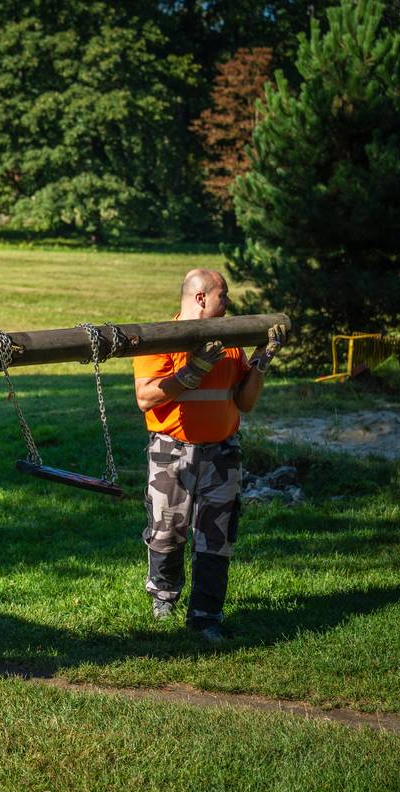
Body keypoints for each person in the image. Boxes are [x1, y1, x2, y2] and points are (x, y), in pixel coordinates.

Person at [132, 269, 285, 643]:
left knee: (216, 538)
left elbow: (244, 402)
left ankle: (206, 616)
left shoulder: (231, 342)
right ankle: (163, 601)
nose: (229, 302)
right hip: (171, 450)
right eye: (224, 295)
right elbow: (145, 398)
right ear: (201, 298)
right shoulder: (161, 339)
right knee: (166, 531)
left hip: (222, 453)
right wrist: (189, 373)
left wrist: (261, 362)